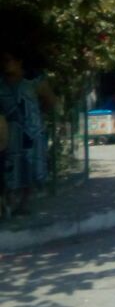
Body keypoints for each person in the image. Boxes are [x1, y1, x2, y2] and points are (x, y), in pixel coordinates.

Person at [0, 48, 52, 218]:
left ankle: (23, 203)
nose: (5, 63)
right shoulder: (1, 84)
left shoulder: (34, 81)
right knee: (9, 166)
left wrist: (36, 118)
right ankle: (8, 203)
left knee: (29, 166)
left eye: (8, 59)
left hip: (31, 131)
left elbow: (50, 101)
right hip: (8, 132)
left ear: (19, 61)